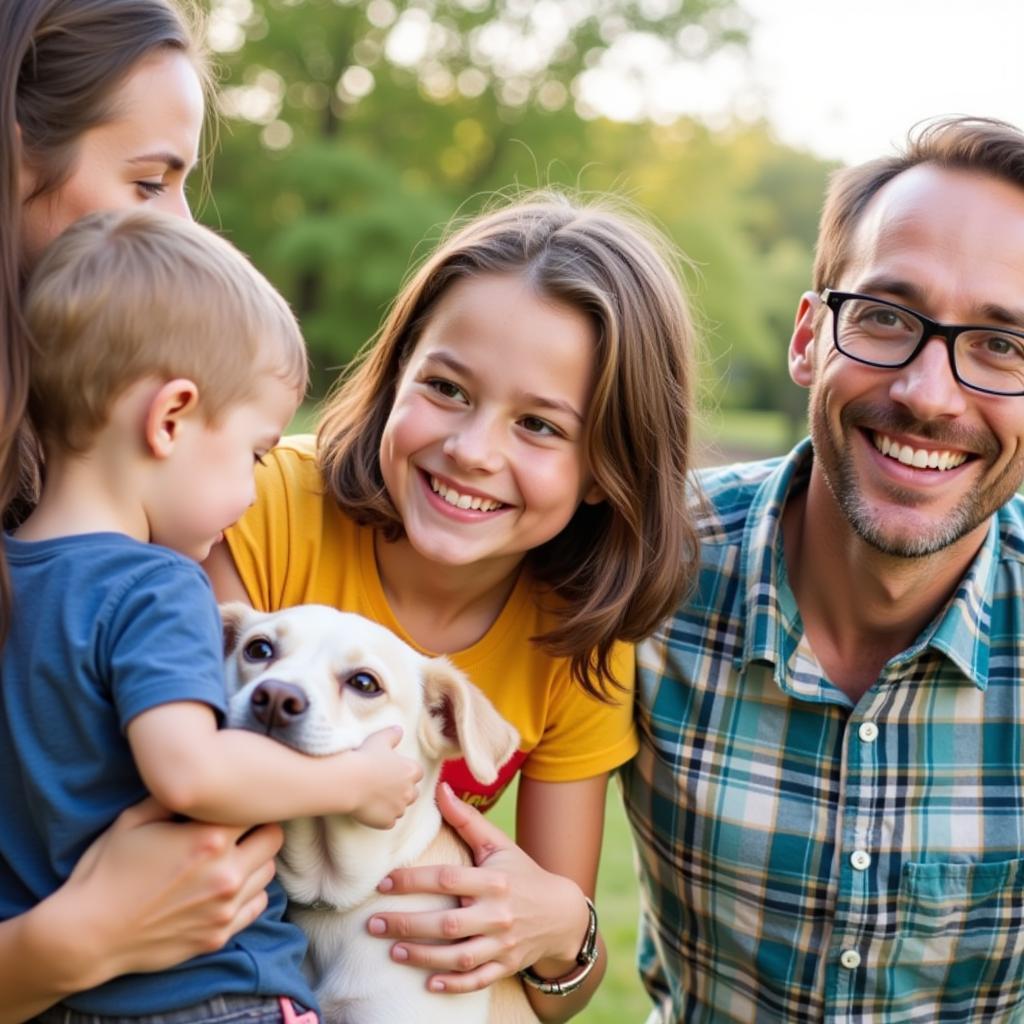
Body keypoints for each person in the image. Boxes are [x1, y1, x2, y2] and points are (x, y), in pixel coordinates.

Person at [205, 191, 700, 1022]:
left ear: (608, 468)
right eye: (446, 387)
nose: (472, 452)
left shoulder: (574, 639)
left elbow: (553, 993)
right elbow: (183, 769)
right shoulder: (258, 505)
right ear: (396, 373)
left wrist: (562, 931)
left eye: (540, 426)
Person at [620, 114, 1024, 1023]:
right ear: (811, 338)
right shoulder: (645, 564)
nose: (928, 394)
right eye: (885, 317)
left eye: (1003, 344)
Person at [1, 208, 424, 1023]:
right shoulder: (157, 586)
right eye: (256, 454)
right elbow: (190, 773)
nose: (252, 490)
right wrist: (354, 780)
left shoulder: (12, 577)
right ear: (171, 419)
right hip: (212, 991)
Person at [0, 2, 297, 1018]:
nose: (178, 226)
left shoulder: (61, 511)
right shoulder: (148, 565)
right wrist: (66, 943)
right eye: (146, 181)